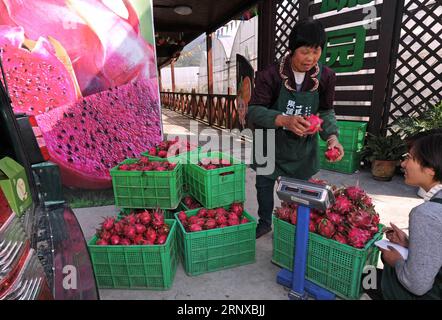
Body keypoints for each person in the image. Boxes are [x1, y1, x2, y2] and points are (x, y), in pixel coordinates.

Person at [247, 18, 344, 238]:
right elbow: (253, 111)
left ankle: (291, 227)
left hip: (302, 146)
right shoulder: (270, 75)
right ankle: (264, 222)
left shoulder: (326, 77)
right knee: (264, 185)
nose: (310, 58)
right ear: (292, 50)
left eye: (316, 51)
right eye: (304, 52)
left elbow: (327, 110)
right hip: (269, 142)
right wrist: (285, 120)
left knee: (300, 193)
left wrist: (332, 138)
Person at [376, 131, 442, 299]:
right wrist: (408, 243)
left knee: (384, 268)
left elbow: (417, 286)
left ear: (430, 169)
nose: (403, 164)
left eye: (409, 158)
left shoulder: (426, 214)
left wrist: (395, 261)